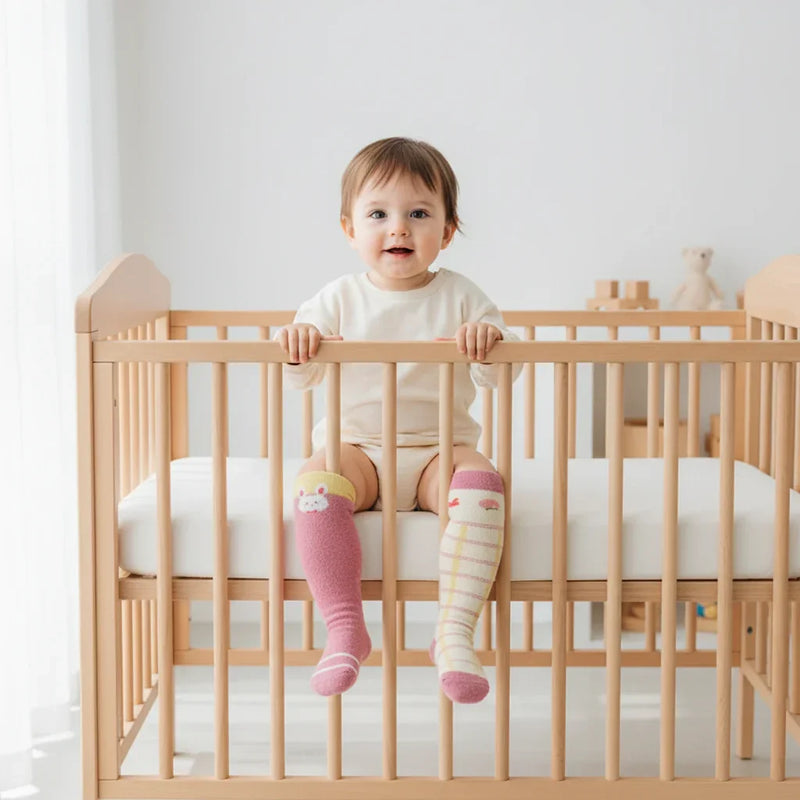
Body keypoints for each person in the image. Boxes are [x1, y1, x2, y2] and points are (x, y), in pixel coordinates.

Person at [275, 137, 520, 703]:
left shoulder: (463, 298)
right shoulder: (335, 299)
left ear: (448, 231)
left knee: (483, 481)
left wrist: (489, 343)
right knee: (315, 481)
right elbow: (300, 376)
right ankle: (345, 626)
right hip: (358, 451)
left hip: (438, 451)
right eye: (378, 214)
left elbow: (500, 374)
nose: (399, 229)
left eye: (419, 214)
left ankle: (454, 630)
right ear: (349, 229)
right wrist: (298, 344)